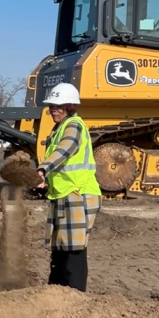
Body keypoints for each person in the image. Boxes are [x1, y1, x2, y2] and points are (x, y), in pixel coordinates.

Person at [35, 83, 101, 292]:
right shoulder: (58, 129)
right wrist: (46, 180)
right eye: (52, 106)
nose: (53, 109)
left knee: (73, 250)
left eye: (58, 106)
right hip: (63, 195)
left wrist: (43, 169)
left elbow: (66, 149)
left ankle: (74, 297)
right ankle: (56, 293)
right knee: (60, 248)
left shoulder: (73, 125)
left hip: (78, 194)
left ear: (70, 106)